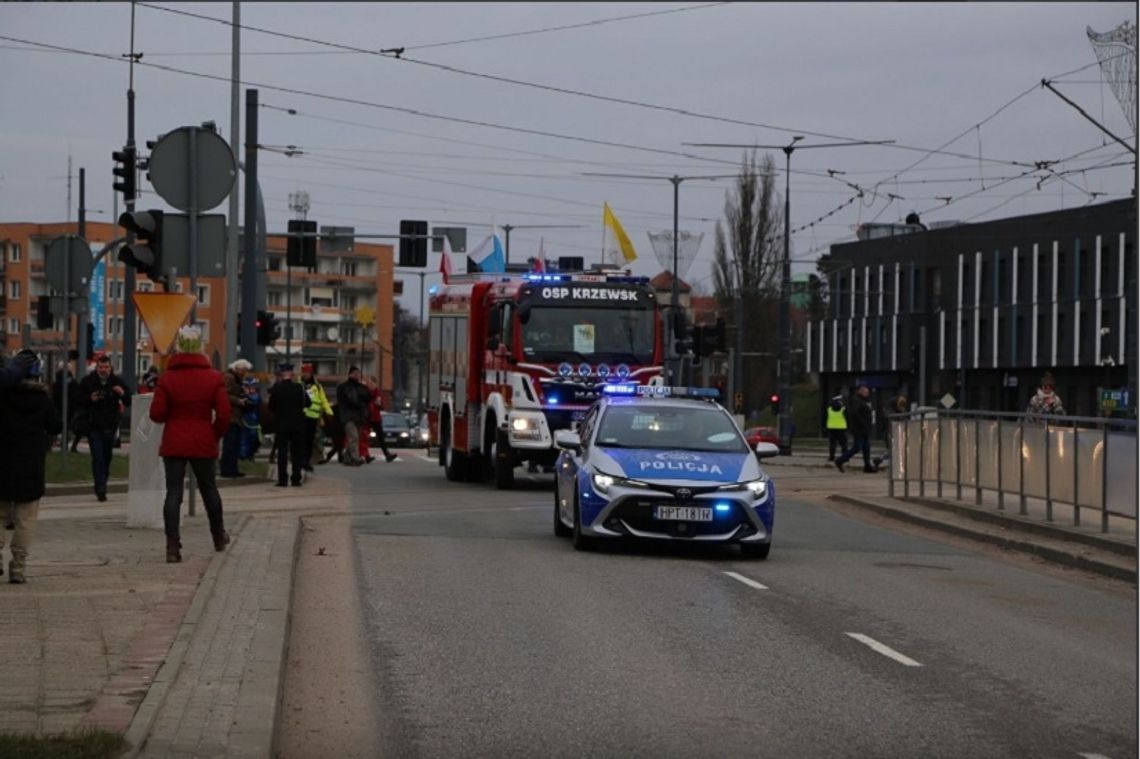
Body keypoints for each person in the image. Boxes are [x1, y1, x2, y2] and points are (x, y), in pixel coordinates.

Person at [149, 327, 232, 563]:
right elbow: (225, 414)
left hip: (174, 441)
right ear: (200, 348)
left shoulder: (167, 378)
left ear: (178, 348)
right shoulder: (214, 378)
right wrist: (212, 433)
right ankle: (218, 536)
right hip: (202, 440)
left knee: (173, 493)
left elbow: (157, 414)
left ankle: (172, 547)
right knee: (209, 489)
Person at [0, 351, 62, 583]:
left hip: (3, 462)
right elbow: (56, 425)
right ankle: (18, 567)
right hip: (31, 466)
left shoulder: (3, 396)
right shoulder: (42, 399)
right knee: (26, 519)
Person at [76, 354, 130, 501]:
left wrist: (122, 393)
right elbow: (78, 399)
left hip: (110, 426)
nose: (103, 370)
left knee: (107, 458)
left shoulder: (116, 381)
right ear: (96, 367)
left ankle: (103, 481)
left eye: (106, 367)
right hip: (94, 426)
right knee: (98, 457)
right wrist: (90, 399)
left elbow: (130, 399)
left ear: (110, 368)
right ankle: (100, 487)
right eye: (101, 367)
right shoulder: (88, 382)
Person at [268, 362, 309, 486]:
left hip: (281, 425)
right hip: (297, 425)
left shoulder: (276, 388)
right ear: (291, 374)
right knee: (297, 453)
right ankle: (296, 479)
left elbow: (271, 407)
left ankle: (282, 479)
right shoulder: (299, 388)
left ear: (281, 373)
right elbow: (308, 403)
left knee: (282, 453)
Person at [219, 358, 253, 478]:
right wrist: (238, 400)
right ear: (237, 369)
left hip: (235, 416)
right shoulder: (230, 378)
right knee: (230, 444)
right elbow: (224, 394)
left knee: (234, 445)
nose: (244, 373)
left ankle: (232, 469)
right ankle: (227, 470)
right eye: (243, 371)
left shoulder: (235, 379)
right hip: (231, 416)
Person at [835, 385, 874, 473]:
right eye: (866, 392)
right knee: (857, 447)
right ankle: (840, 460)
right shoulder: (856, 400)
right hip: (859, 428)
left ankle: (867, 466)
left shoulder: (864, 401)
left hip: (865, 428)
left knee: (866, 447)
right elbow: (855, 414)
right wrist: (863, 424)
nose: (867, 394)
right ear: (861, 392)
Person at [336, 366, 370, 466]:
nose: (357, 375)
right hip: (348, 415)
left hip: (359, 416)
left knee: (355, 438)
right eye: (354, 373)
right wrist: (359, 399)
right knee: (353, 437)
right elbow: (348, 401)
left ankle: (346, 457)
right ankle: (356, 458)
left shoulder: (362, 387)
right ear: (350, 374)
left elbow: (368, 398)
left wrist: (363, 392)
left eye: (358, 373)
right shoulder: (343, 387)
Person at [300, 363, 332, 470]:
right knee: (302, 440)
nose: (305, 375)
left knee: (310, 440)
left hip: (315, 417)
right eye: (304, 372)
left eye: (307, 373)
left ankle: (307, 461)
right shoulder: (299, 385)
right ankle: (302, 460)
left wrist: (329, 411)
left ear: (311, 373)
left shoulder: (317, 385)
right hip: (303, 416)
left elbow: (323, 399)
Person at [872, 395, 908, 472]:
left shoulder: (894, 409)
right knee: (894, 450)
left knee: (893, 450)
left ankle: (879, 460)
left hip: (894, 431)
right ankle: (881, 461)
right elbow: (892, 418)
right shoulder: (890, 410)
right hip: (890, 432)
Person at [366, 379, 398, 464]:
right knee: (364, 437)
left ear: (375, 384)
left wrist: (379, 404)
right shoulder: (366, 393)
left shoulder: (378, 393)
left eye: (371, 383)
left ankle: (387, 454)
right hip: (367, 417)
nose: (370, 385)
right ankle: (366, 455)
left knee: (381, 438)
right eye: (369, 383)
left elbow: (383, 406)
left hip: (376, 418)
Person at [52, 362, 82, 452]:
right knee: (70, 427)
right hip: (70, 407)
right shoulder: (71, 381)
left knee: (64, 427)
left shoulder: (57, 381)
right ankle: (69, 445)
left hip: (61, 407)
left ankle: (63, 444)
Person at [239, 376, 263, 461]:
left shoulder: (256, 395)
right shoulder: (243, 395)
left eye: (254, 386)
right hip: (245, 419)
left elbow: (255, 401)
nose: (253, 388)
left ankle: (250, 455)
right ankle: (243, 455)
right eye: (251, 386)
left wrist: (247, 395)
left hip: (254, 420)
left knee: (254, 439)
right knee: (244, 439)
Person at [825, 394, 848, 462]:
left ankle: (831, 456)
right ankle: (844, 457)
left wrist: (825, 427)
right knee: (843, 444)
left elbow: (825, 418)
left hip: (831, 428)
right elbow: (848, 418)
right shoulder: (843, 408)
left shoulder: (829, 409)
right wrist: (848, 426)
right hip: (842, 428)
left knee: (832, 443)